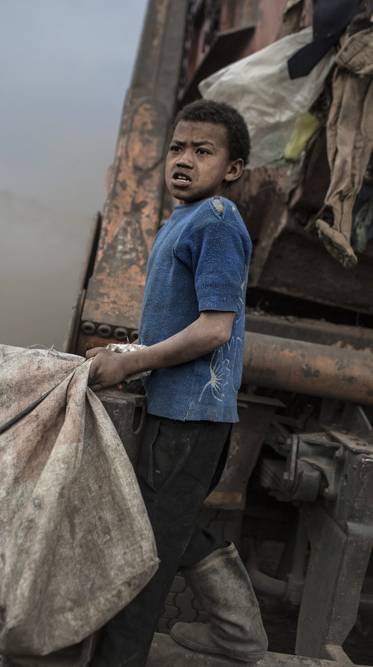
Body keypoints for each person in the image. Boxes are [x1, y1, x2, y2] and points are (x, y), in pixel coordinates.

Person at [86, 99, 267, 666]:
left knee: (146, 562)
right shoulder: (183, 219)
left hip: (190, 416)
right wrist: (128, 349)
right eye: (177, 148)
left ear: (232, 169)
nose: (183, 160)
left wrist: (132, 365)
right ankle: (239, 633)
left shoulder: (217, 219)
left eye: (203, 151)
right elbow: (177, 318)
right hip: (176, 411)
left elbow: (215, 330)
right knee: (162, 528)